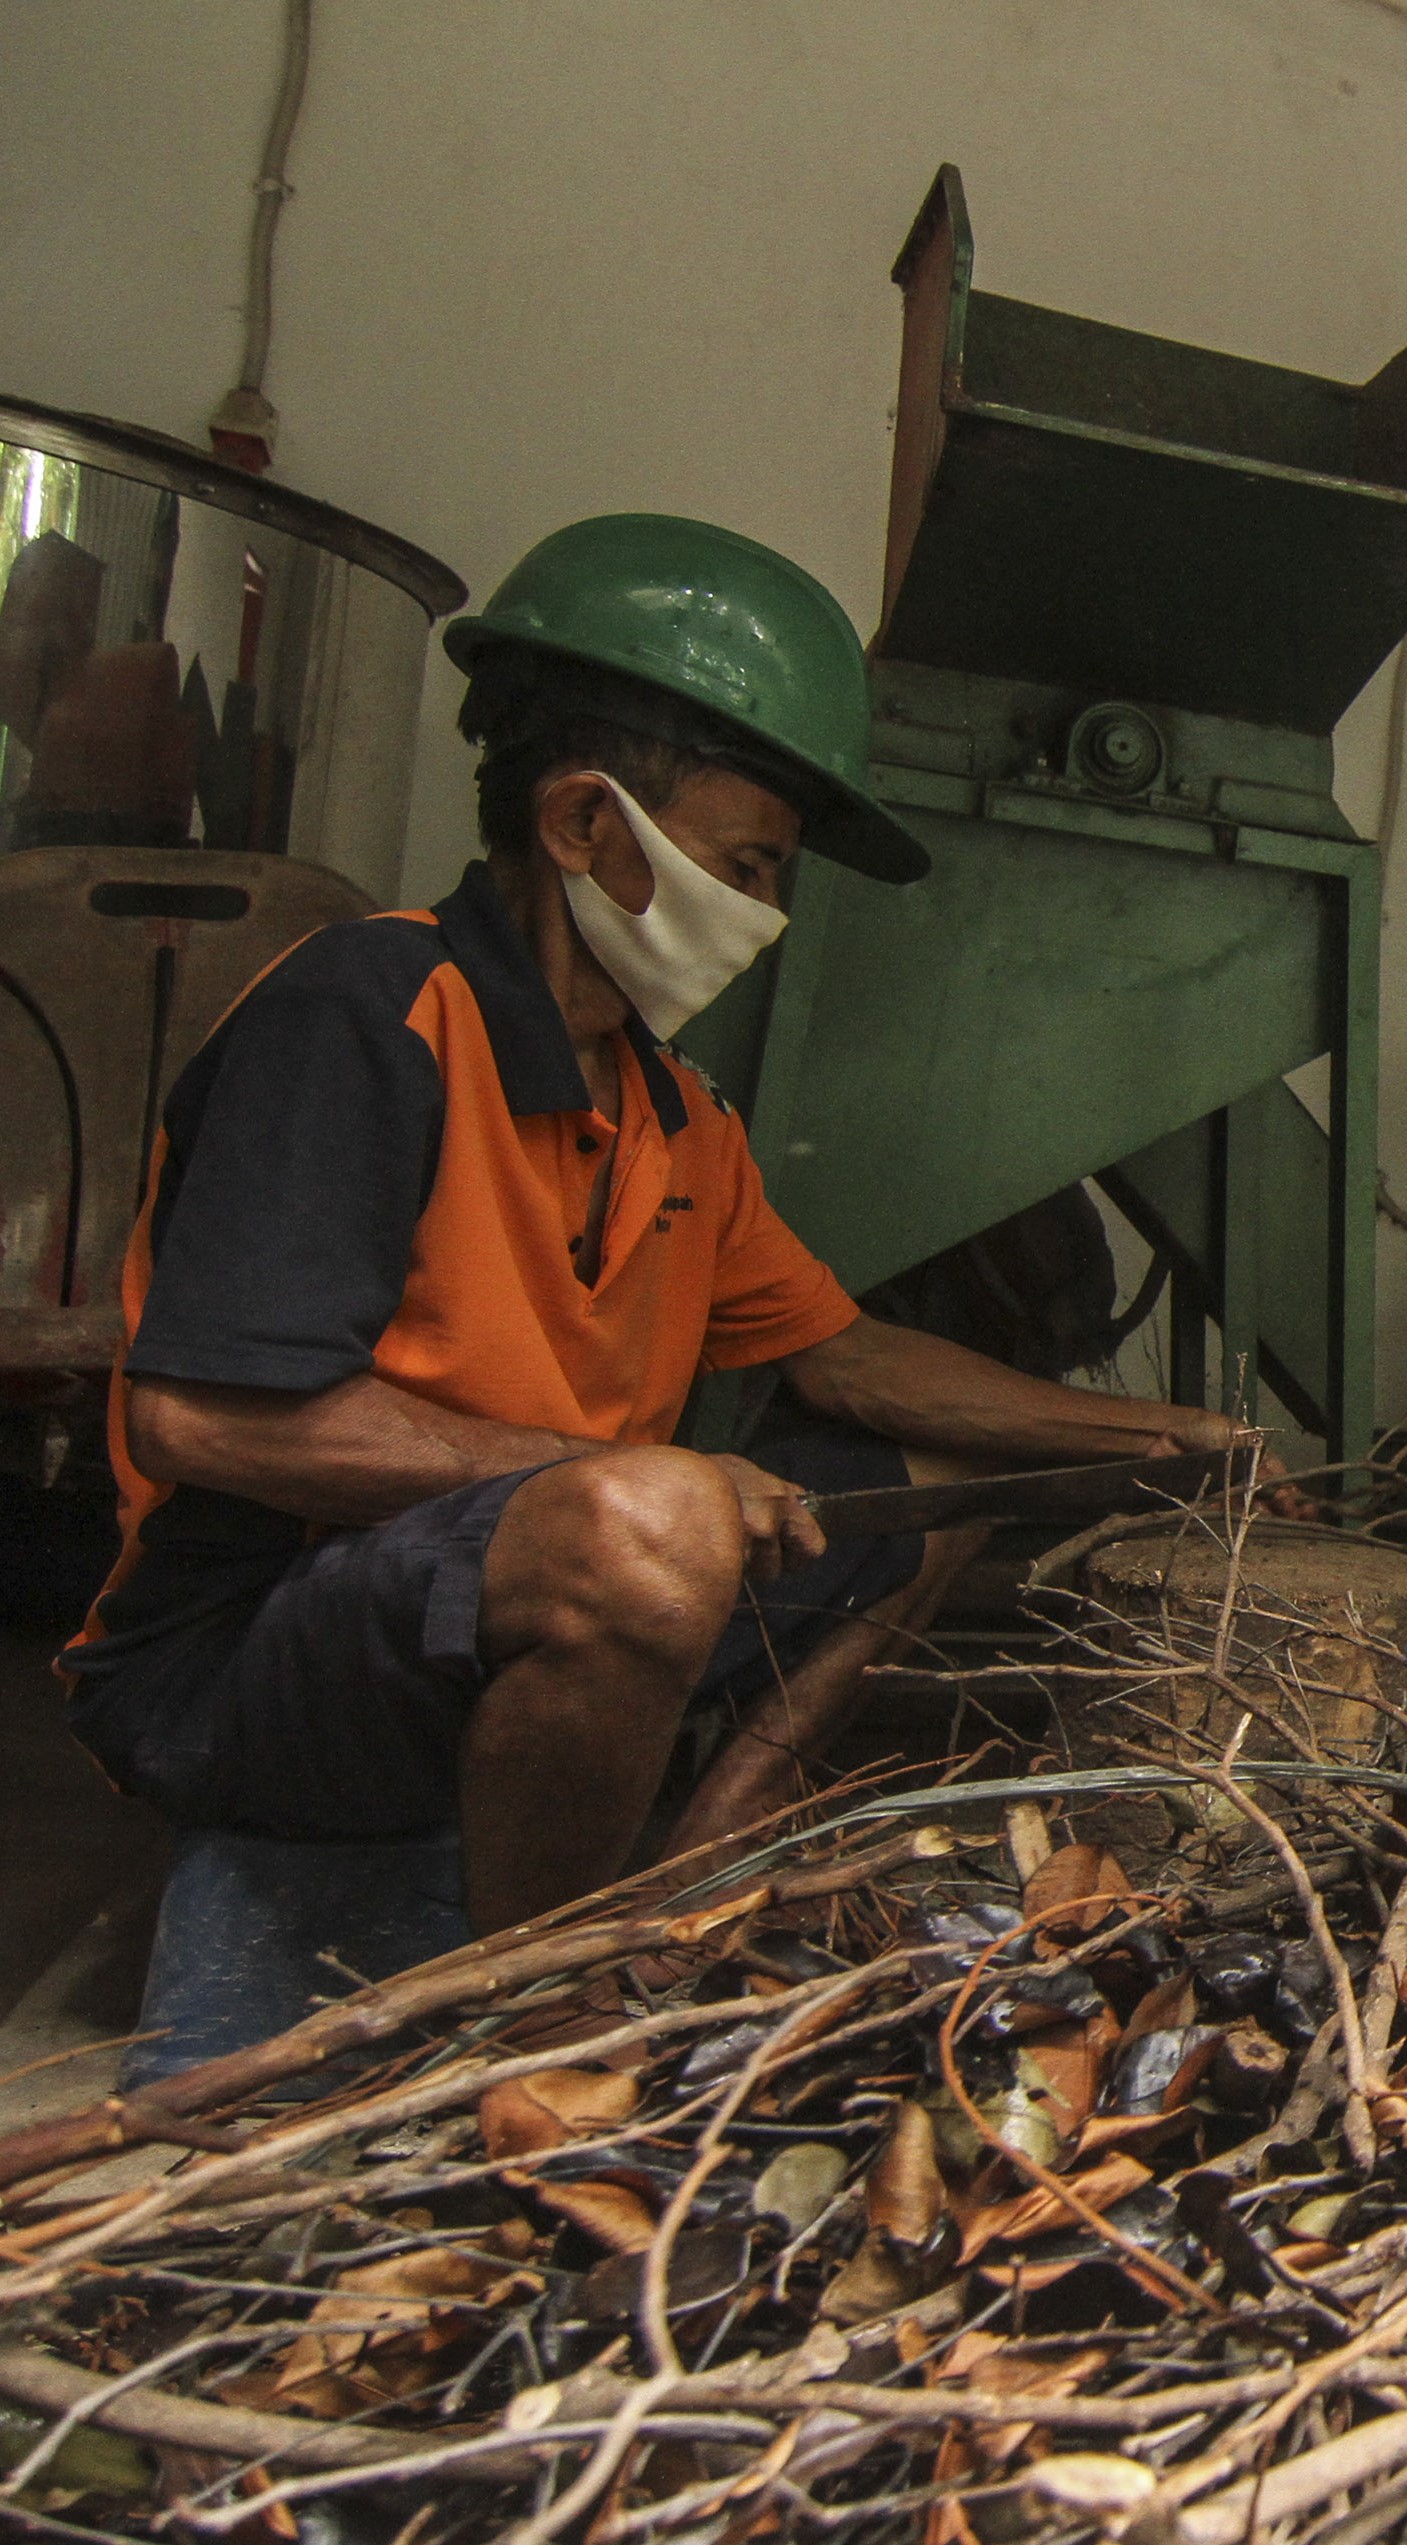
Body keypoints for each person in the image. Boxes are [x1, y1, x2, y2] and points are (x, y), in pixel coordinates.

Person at [60, 513, 1268, 1991]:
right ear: (582, 826)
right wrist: (605, 1482)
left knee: (942, 1496)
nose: (762, 915)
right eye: (745, 865)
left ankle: (694, 1854)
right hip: (250, 1657)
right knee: (651, 1526)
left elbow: (849, 1356)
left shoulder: (672, 1113)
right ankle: (540, 1999)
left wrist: (1175, 1436)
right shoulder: (371, 1015)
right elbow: (204, 1415)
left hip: (536, 1580)